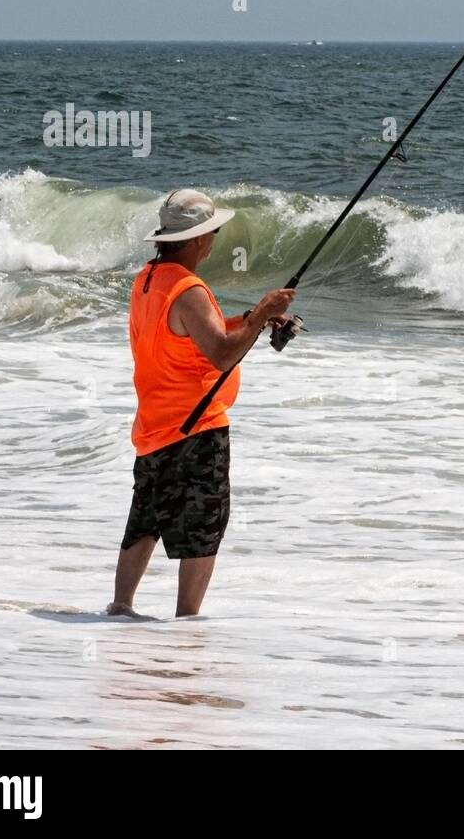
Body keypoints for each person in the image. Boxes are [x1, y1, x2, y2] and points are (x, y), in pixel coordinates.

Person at [107, 189, 294, 617]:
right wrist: (265, 308)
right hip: (197, 427)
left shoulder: (148, 280)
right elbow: (222, 353)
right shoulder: (189, 289)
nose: (213, 241)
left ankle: (120, 606)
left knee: (146, 519)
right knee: (205, 526)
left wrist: (253, 318)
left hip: (155, 425)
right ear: (194, 240)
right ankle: (187, 621)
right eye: (210, 233)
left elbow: (191, 334)